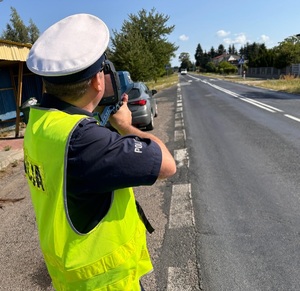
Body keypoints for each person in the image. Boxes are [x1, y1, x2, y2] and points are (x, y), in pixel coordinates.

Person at [24, 13, 176, 291]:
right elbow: (167, 164)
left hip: (71, 278)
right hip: (106, 283)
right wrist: (128, 127)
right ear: (98, 81)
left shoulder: (40, 123)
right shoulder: (85, 141)